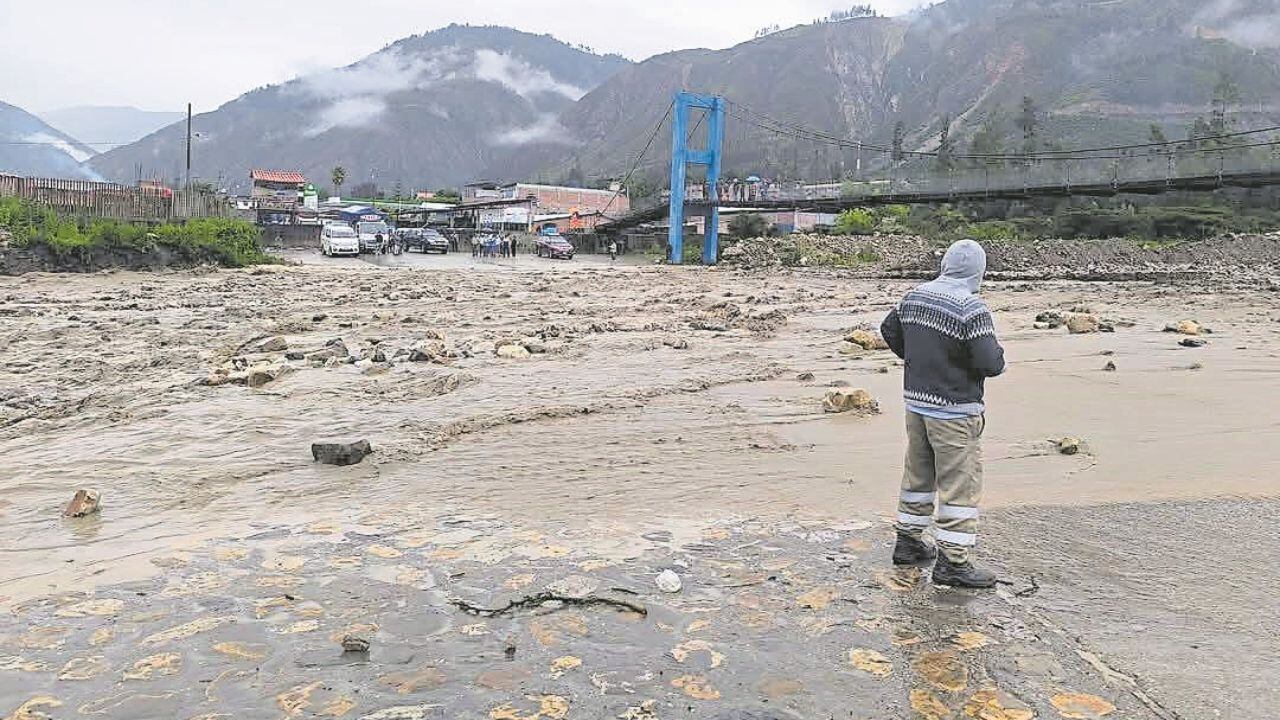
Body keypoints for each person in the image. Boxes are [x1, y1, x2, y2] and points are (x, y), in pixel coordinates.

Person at [879, 239, 1006, 589]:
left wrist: (916, 360)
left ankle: (908, 544)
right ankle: (954, 563)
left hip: (917, 405)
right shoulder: (972, 308)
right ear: (978, 272)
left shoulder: (915, 295)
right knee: (959, 487)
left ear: (946, 264)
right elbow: (990, 364)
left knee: (917, 476)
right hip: (954, 411)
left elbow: (889, 330)